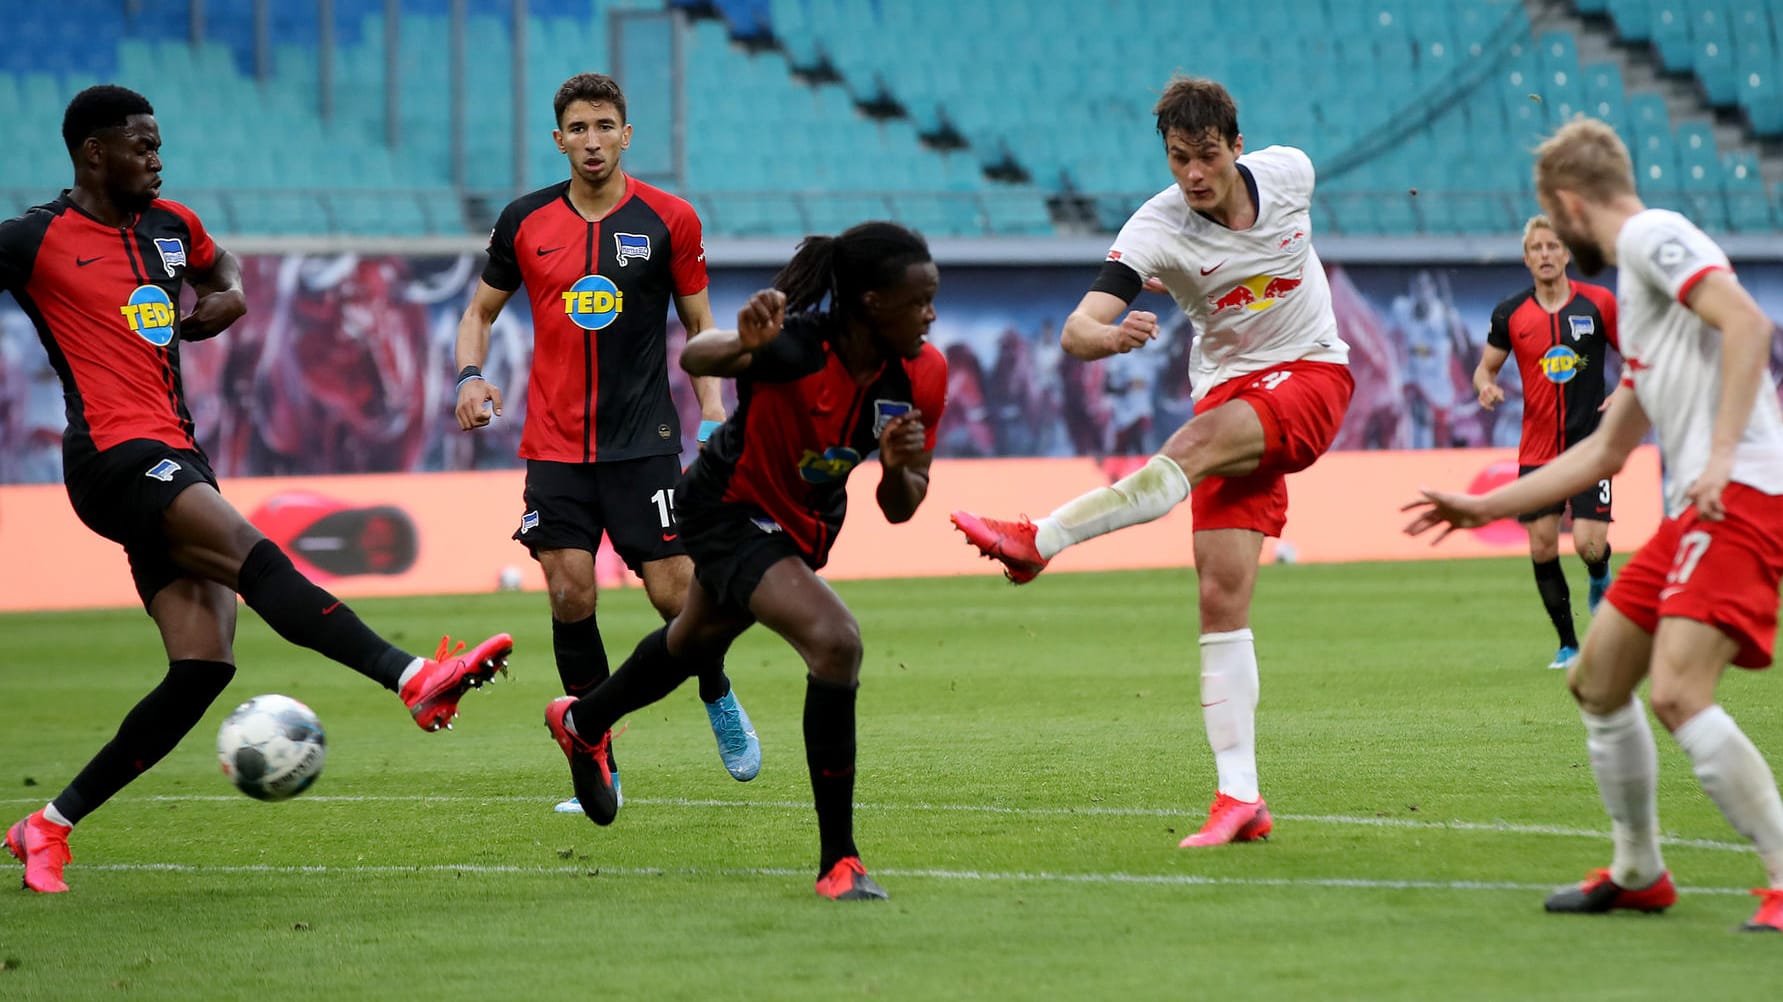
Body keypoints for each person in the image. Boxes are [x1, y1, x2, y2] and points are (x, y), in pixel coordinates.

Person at [1, 86, 512, 895]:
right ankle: (413, 678)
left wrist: (230, 295)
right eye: (142, 146)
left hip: (178, 453)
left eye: (160, 144)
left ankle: (47, 826)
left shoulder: (173, 228)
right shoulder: (33, 239)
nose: (158, 159)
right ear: (93, 153)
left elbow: (221, 265)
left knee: (202, 665)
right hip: (110, 457)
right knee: (253, 553)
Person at [951, 76, 1352, 848]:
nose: (1193, 174)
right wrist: (1105, 338)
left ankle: (1040, 540)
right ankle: (1240, 797)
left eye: (1206, 155)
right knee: (1219, 598)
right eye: (1178, 158)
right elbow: (1077, 328)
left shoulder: (1290, 173)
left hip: (1311, 375)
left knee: (1191, 449)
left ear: (1237, 146)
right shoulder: (1155, 227)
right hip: (1230, 394)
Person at [1405, 117, 1783, 933]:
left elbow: (1749, 324)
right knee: (1599, 678)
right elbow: (1606, 448)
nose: (1556, 238)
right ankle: (1638, 870)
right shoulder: (1644, 307)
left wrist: (1718, 456)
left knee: (1680, 693)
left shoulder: (1651, 235)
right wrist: (1484, 508)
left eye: (1553, 220)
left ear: (1568, 205)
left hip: (1741, 493)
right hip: (1697, 509)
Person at [542, 222, 945, 901]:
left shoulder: (920, 375)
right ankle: (838, 861)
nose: (931, 314)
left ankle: (582, 722)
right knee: (835, 642)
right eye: (919, 299)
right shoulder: (793, 347)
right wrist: (740, 343)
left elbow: (901, 505)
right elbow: (698, 357)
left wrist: (901, 470)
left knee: (692, 639)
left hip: (801, 523)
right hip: (726, 511)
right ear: (872, 303)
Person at [452, 73, 760, 813]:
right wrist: (469, 375)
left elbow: (700, 330)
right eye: (578, 129)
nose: (592, 141)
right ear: (557, 140)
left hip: (644, 443)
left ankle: (715, 689)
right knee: (568, 590)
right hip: (554, 445)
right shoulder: (523, 221)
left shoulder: (669, 219)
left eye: (605, 126)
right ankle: (594, 753)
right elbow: (478, 312)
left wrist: (714, 418)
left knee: (676, 596)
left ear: (627, 135)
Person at [1474, 215, 1621, 671]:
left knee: (1589, 545)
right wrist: (1485, 386)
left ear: (1567, 253)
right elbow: (1487, 368)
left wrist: (1624, 391)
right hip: (1537, 449)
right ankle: (1568, 644)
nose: (1544, 254)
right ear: (1526, 258)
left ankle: (1600, 574)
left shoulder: (1598, 304)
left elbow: (1637, 356)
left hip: (1590, 446)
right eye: (1536, 248)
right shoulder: (1510, 313)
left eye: (1552, 246)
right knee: (1541, 546)